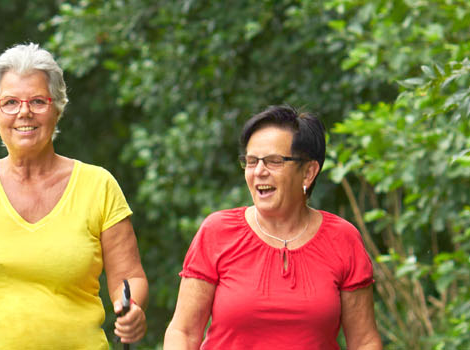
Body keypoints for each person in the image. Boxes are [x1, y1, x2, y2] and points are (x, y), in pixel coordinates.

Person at [0, 43, 148, 350]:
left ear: (58, 107)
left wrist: (131, 308)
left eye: (38, 101)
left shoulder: (99, 186)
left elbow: (129, 278)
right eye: (10, 102)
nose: (24, 112)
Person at [162, 106, 382, 350]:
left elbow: (364, 341)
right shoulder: (217, 231)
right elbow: (183, 332)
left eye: (274, 161)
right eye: (251, 161)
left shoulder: (342, 238)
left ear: (308, 172)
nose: (259, 172)